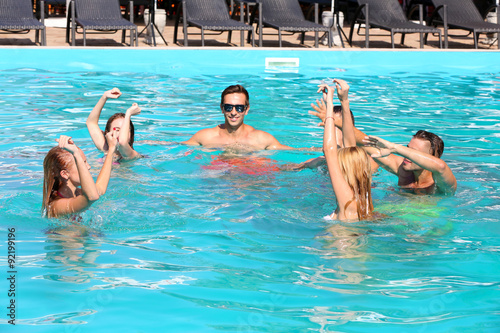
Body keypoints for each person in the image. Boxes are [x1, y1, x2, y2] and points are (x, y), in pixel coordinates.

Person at [321, 79, 374, 221]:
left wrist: (330, 106)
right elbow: (350, 144)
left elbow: (329, 150)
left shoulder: (347, 200)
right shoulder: (362, 196)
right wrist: (344, 100)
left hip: (339, 242)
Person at [181, 85, 293, 150]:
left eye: (239, 108)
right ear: (222, 108)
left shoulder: (262, 139)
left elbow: (298, 152)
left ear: (246, 109)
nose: (233, 112)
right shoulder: (205, 137)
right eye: (229, 107)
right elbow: (176, 147)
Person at [42, 134, 117, 218]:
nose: (89, 167)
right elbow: (92, 197)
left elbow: (100, 189)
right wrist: (76, 154)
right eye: (82, 163)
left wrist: (111, 150)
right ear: (65, 174)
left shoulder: (78, 192)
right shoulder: (57, 206)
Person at [361, 130, 457, 194]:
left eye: (412, 153)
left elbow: (441, 166)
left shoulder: (440, 185)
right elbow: (360, 141)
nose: (406, 155)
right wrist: (345, 103)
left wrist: (395, 148)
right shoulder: (403, 170)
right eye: (407, 149)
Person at [86, 88, 141, 160]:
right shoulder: (105, 148)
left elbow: (122, 142)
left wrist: (128, 114)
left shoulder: (130, 154)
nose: (121, 133)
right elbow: (91, 123)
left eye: (125, 130)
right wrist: (104, 97)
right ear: (107, 133)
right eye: (117, 130)